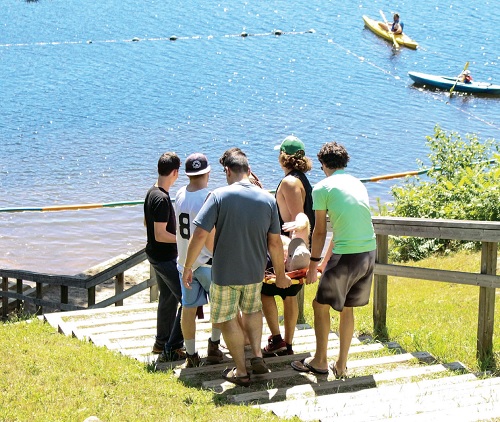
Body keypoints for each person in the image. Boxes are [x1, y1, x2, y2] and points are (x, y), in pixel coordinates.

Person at [182, 149, 290, 387]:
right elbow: (275, 242)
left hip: (224, 273)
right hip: (255, 272)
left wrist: (188, 266)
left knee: (227, 317)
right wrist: (280, 275)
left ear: (228, 171)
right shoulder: (268, 199)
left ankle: (241, 371)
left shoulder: (218, 196)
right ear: (249, 171)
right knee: (252, 312)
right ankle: (258, 357)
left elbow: (199, 233)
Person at [291, 142, 376, 378]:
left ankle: (319, 361)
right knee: (347, 308)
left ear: (323, 165)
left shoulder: (323, 188)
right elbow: (340, 229)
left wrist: (311, 267)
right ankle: (341, 364)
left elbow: (319, 231)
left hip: (347, 255)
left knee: (319, 305)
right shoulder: (357, 183)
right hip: (368, 252)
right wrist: (322, 263)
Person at [261, 135, 315, 357]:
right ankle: (287, 342)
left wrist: (288, 251)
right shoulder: (302, 179)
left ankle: (278, 339)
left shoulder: (290, 182)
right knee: (289, 295)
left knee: (266, 292)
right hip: (295, 249)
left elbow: (297, 218)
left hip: (286, 250)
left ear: (284, 157)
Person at [175, 153, 223, 367]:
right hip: (207, 263)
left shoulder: (179, 194)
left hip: (185, 263)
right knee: (220, 306)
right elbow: (209, 237)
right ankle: (214, 345)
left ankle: (191, 354)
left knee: (188, 308)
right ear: (208, 172)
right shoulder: (210, 196)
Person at [144, 152, 185, 362]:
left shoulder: (153, 192)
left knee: (167, 299)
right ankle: (174, 346)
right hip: (164, 257)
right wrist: (183, 239)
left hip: (156, 255)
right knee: (186, 301)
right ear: (176, 173)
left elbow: (149, 227)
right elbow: (160, 235)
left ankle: (161, 343)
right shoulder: (161, 198)